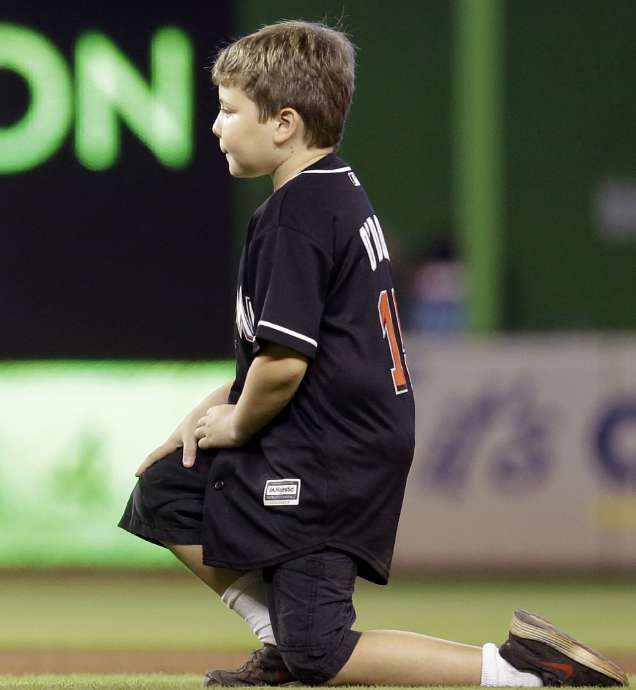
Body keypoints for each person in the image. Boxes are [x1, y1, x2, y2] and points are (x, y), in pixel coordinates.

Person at [120, 20, 628, 689]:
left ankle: (524, 674)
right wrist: (205, 412)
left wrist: (237, 422)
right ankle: (280, 640)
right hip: (325, 437)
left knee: (322, 652)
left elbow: (285, 367)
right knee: (168, 490)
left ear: (284, 124)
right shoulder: (327, 193)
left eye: (229, 110)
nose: (216, 126)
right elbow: (287, 355)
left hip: (329, 452)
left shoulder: (300, 213)